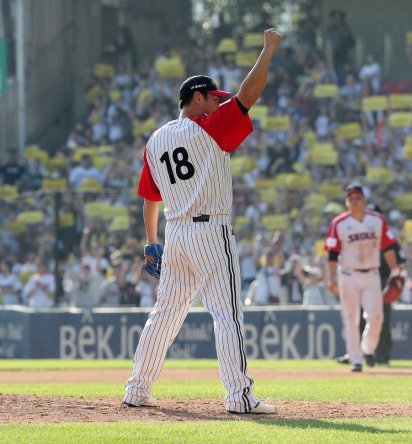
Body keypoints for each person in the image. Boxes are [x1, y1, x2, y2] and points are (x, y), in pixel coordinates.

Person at [123, 29, 282, 414]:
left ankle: (137, 389)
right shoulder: (208, 126)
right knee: (227, 314)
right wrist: (268, 51)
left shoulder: (156, 139)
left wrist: (151, 241)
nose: (217, 104)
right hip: (211, 232)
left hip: (175, 233)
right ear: (197, 98)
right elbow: (249, 95)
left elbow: (149, 196)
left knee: (164, 315)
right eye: (213, 98)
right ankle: (239, 397)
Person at [325, 184, 399, 372]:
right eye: (351, 198)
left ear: (364, 200)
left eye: (358, 197)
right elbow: (333, 253)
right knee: (351, 318)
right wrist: (331, 278)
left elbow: (388, 247)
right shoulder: (338, 223)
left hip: (372, 273)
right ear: (347, 202)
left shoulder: (377, 221)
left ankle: (367, 349)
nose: (355, 201)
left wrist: (395, 271)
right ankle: (356, 359)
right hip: (348, 274)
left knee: (376, 317)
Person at [336, 204, 405, 366]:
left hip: (381, 281)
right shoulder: (359, 233)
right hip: (357, 278)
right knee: (356, 319)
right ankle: (356, 354)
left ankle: (382, 355)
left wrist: (397, 280)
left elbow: (401, 263)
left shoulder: (387, 237)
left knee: (380, 320)